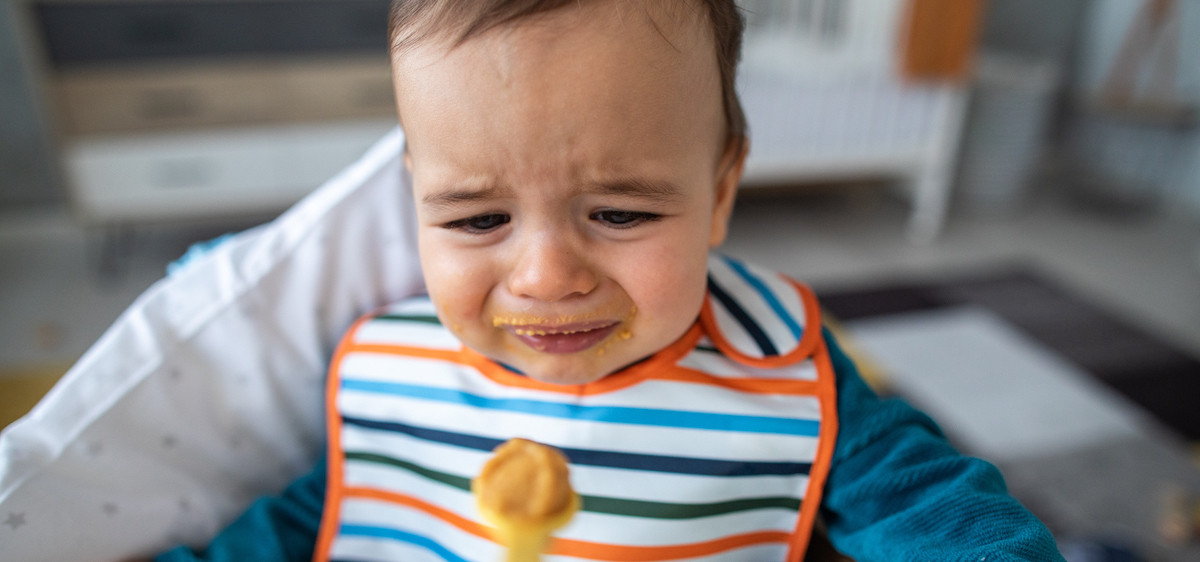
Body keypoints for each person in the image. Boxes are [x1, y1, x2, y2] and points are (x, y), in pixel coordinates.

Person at [157, 0, 1065, 560]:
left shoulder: (776, 361)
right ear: (415, 204)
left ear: (718, 194)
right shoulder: (391, 365)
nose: (547, 278)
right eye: (478, 220)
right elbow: (313, 516)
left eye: (621, 214)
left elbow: (934, 506)